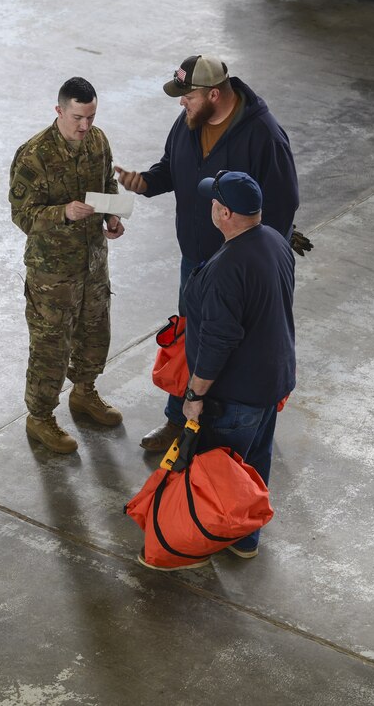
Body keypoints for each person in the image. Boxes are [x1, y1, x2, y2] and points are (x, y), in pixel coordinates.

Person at [114, 54, 300, 452]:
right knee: (190, 343)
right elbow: (171, 168)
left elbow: (283, 206)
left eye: (188, 96)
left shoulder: (263, 135)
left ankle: (234, 429)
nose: (182, 103)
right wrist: (144, 182)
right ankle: (178, 421)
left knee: (230, 349)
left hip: (239, 270)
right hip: (196, 262)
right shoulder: (190, 123)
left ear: (214, 94)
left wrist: (256, 262)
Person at [9, 76, 126, 455]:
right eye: (78, 117)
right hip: (52, 274)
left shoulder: (98, 141)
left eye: (91, 116)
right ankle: (40, 416)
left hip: (92, 263)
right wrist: (63, 213)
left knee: (95, 331)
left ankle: (85, 391)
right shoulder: (34, 156)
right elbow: (23, 216)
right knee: (50, 346)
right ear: (59, 110)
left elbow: (108, 183)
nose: (85, 126)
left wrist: (111, 216)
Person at [181, 172, 295, 559]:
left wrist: (195, 394)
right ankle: (247, 539)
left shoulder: (228, 267)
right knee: (254, 464)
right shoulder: (275, 241)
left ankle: (207, 539)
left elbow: (218, 341)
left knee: (220, 472)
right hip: (270, 381)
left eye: (213, 202)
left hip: (235, 394)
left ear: (223, 211)